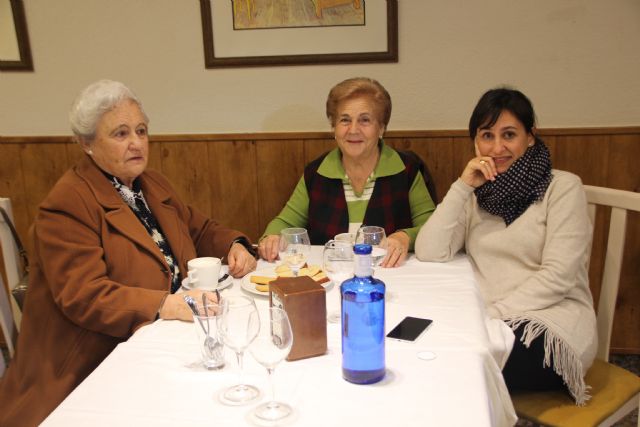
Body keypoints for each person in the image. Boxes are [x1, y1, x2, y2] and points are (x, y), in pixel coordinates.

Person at [0, 80, 257, 426]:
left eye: (141, 130)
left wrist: (234, 244)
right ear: (86, 143)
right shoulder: (67, 204)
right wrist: (164, 304)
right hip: (88, 367)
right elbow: (84, 295)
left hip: (162, 341)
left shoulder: (149, 185)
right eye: (120, 134)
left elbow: (199, 228)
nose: (136, 143)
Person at [415, 88, 597, 405]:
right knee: (428, 350)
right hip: (487, 323)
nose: (497, 147)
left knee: (455, 365)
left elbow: (558, 277)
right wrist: (462, 186)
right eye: (487, 135)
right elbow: (431, 251)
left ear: (530, 137)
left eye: (509, 134)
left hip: (551, 324)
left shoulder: (563, 187)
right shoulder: (477, 194)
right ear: (475, 142)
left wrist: (490, 316)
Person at [258, 77, 436, 267]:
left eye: (365, 120)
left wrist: (404, 237)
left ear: (382, 127)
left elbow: (432, 229)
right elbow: (284, 223)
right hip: (330, 276)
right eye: (344, 120)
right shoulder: (316, 173)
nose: (353, 130)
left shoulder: (406, 169)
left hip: (391, 275)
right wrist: (272, 238)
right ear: (333, 127)